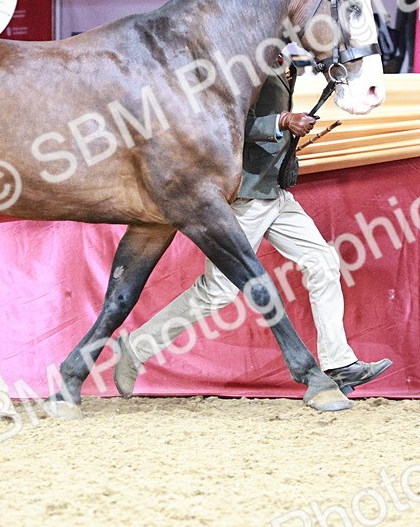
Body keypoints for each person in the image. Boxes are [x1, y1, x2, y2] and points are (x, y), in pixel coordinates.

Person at [113, 52, 391, 408]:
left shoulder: (286, 60)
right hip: (245, 195)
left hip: (274, 192)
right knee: (217, 292)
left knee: (322, 262)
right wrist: (282, 120)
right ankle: (137, 347)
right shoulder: (245, 64)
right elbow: (226, 123)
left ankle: (338, 362)